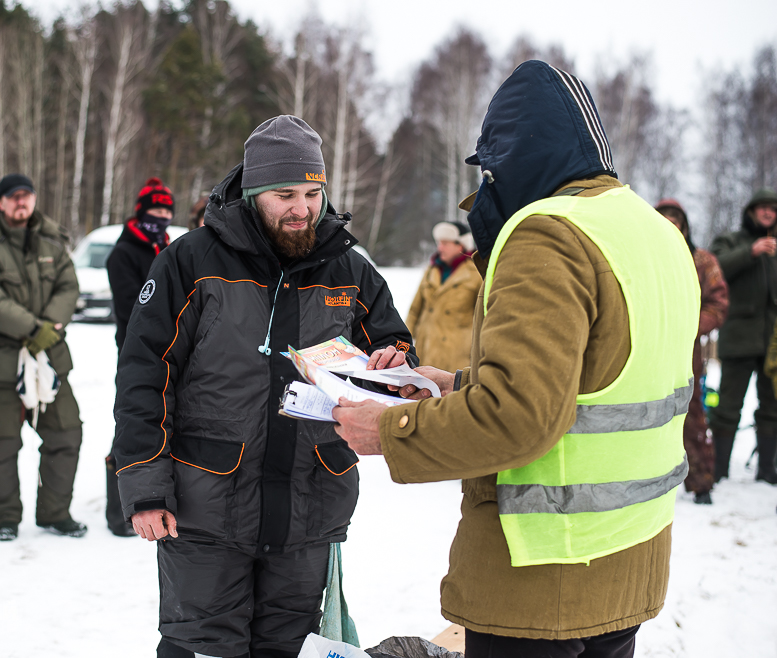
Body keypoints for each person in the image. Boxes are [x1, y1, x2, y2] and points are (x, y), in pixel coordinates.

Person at [333, 61, 700, 658]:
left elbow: (519, 418)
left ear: (514, 157)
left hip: (541, 577)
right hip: (627, 558)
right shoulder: (652, 230)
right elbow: (598, 380)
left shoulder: (549, 233)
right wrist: (455, 383)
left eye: (492, 169)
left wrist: (389, 429)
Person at [112, 115, 415, 658]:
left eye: (313, 192)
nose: (302, 208)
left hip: (310, 504)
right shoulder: (190, 262)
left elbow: (393, 351)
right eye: (284, 194)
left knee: (289, 650)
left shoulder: (350, 270)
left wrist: (395, 365)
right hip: (204, 506)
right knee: (203, 648)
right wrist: (145, 486)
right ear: (252, 193)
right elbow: (145, 375)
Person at [0, 173, 85, 541]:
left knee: (67, 434)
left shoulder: (52, 239)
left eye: (27, 196)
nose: (21, 202)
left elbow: (68, 285)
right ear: (0, 202)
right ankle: (4, 517)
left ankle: (54, 513)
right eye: (13, 197)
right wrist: (34, 329)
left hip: (48, 359)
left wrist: (51, 325)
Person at [104, 176, 175, 537]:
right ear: (141, 210)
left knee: (163, 421)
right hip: (134, 349)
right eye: (155, 209)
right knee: (133, 425)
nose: (161, 215)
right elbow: (132, 308)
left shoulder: (167, 247)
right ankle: (118, 513)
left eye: (166, 210)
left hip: (171, 350)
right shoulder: (124, 252)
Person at [656, 198, 729, 504]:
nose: (671, 224)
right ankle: (651, 478)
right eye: (664, 218)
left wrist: (689, 325)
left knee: (691, 411)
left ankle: (701, 482)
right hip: (645, 344)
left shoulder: (701, 260)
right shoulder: (642, 256)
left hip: (686, 348)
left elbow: (718, 303)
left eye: (677, 219)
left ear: (684, 226)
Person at [709, 188, 777, 484]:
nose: (767, 213)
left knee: (772, 407)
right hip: (738, 338)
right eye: (762, 208)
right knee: (727, 407)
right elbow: (715, 268)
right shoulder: (731, 241)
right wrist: (752, 251)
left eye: (772, 209)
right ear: (750, 211)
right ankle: (719, 470)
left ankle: (766, 471)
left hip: (771, 342)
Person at [406, 221, 479, 370]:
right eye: (439, 243)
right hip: (425, 353)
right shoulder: (431, 270)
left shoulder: (477, 273)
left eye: (445, 243)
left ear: (461, 245)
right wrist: (402, 344)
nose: (440, 248)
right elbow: (415, 310)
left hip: (457, 360)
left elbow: (485, 319)